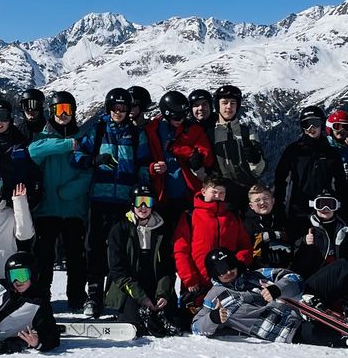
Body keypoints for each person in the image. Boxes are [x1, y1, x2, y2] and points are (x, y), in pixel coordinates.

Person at [72, 87, 151, 316]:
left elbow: (144, 165)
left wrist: (141, 189)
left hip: (125, 202)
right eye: (115, 108)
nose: (119, 112)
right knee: (94, 248)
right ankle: (94, 297)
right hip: (99, 199)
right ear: (108, 108)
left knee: (120, 250)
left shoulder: (136, 135)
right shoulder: (97, 131)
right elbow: (76, 156)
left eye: (123, 108)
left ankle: (115, 296)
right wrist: (94, 160)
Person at [27, 90, 91, 308]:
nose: (63, 114)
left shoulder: (83, 137)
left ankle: (76, 298)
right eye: (58, 109)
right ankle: (42, 296)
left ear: (74, 112)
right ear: (51, 111)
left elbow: (88, 171)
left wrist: (69, 192)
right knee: (44, 257)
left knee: (76, 256)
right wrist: (67, 144)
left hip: (73, 209)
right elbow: (33, 152)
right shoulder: (43, 138)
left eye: (67, 109)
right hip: (47, 209)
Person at [105, 187, 183, 336]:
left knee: (175, 323)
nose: (143, 207)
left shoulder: (162, 229)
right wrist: (141, 297)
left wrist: (163, 294)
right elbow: (117, 270)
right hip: (130, 287)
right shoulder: (120, 229)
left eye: (147, 202)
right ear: (132, 204)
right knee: (133, 326)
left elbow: (167, 268)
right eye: (139, 202)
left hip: (155, 284)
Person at [192, 249, 308, 343]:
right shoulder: (215, 297)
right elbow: (196, 327)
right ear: (214, 274)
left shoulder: (255, 275)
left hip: (301, 313)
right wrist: (213, 318)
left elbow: (295, 278)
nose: (228, 272)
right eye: (221, 270)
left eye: (231, 265)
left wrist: (278, 288)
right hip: (286, 331)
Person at [273, 105, 348, 238]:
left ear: (322, 124)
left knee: (322, 246)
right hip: (298, 210)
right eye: (306, 124)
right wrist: (279, 207)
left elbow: (341, 183)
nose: (311, 128)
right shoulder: (294, 150)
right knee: (298, 248)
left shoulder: (331, 152)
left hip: (324, 209)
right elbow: (280, 179)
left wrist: (340, 207)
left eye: (315, 123)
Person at [173, 179, 250, 303]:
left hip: (230, 280)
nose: (217, 196)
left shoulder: (232, 216)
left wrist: (239, 265)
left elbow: (245, 245)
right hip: (200, 284)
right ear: (203, 191)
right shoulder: (190, 216)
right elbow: (181, 251)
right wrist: (190, 278)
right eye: (214, 192)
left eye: (221, 193)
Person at [146, 90, 215, 222]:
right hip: (161, 192)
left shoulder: (192, 130)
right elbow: (144, 158)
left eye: (183, 116)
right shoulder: (152, 130)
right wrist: (152, 168)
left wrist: (181, 150)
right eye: (176, 117)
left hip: (187, 192)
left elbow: (206, 157)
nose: (180, 120)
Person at [209, 84, 266, 205]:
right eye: (225, 102)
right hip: (220, 195)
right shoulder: (210, 134)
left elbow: (259, 170)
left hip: (247, 193)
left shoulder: (247, 132)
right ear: (217, 105)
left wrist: (255, 160)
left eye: (233, 103)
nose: (229, 107)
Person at [291, 192, 348, 277]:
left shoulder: (345, 228)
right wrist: (304, 241)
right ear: (314, 205)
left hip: (337, 274)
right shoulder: (305, 226)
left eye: (330, 205)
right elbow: (295, 256)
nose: (326, 208)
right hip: (313, 275)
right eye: (320, 204)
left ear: (337, 206)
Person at [242, 184, 294, 270]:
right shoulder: (247, 225)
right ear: (251, 206)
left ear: (272, 201)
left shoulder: (282, 219)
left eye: (266, 199)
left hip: (286, 269)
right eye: (257, 200)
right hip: (259, 272)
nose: (262, 203)